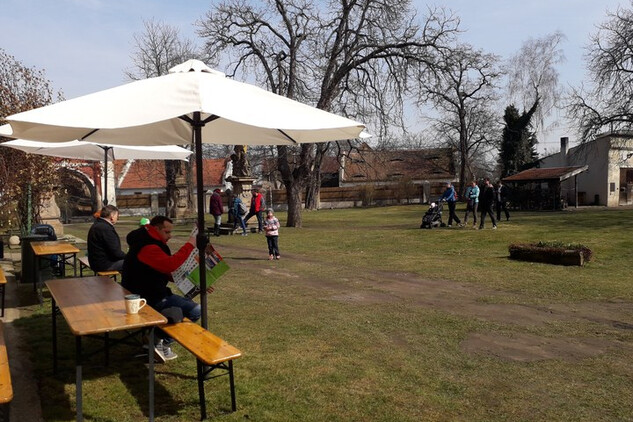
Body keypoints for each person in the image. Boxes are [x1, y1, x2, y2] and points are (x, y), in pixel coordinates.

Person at [121, 216, 201, 362]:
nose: (170, 236)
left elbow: (167, 272)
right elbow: (170, 265)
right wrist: (190, 243)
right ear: (156, 229)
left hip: (146, 293)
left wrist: (198, 284)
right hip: (146, 298)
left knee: (186, 308)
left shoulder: (147, 241)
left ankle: (158, 342)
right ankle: (157, 340)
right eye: (167, 232)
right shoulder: (148, 247)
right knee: (195, 310)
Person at [87, 205, 126, 272]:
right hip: (105, 264)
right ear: (112, 216)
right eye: (117, 215)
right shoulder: (105, 229)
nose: (117, 218)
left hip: (96, 262)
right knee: (136, 262)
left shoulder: (97, 225)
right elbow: (116, 253)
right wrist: (129, 257)